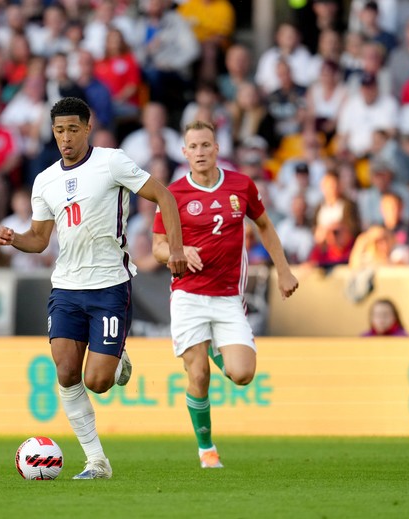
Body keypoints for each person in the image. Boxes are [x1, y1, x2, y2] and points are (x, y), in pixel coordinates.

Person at [0, 97, 186, 479]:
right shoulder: (44, 180)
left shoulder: (112, 162)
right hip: (66, 287)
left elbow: (164, 195)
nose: (65, 137)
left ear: (87, 127)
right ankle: (97, 461)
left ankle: (117, 360)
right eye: (59, 130)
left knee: (97, 381)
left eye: (72, 129)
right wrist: (14, 238)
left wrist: (176, 248)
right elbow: (39, 239)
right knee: (66, 372)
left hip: (110, 285)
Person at [152, 120, 299, 469]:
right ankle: (206, 449)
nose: (200, 152)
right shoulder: (171, 194)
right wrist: (180, 250)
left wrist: (284, 269)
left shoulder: (240, 186)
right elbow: (158, 246)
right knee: (198, 373)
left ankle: (218, 348)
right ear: (184, 152)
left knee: (243, 374)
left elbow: (264, 225)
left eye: (206, 145)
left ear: (217, 149)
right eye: (194, 147)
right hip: (187, 293)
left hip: (227, 296)